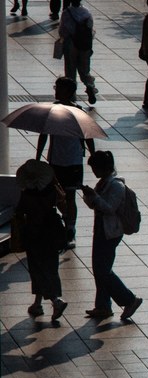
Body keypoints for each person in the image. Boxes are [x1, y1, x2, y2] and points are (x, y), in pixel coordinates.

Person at [80, 150, 143, 321]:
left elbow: (109, 208)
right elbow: (95, 205)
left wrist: (94, 197)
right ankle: (103, 306)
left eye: (95, 168)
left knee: (103, 270)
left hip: (110, 232)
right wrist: (89, 196)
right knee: (99, 269)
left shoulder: (116, 185)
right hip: (102, 229)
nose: (93, 172)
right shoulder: (103, 183)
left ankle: (129, 299)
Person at [35, 76, 92, 249]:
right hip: (56, 159)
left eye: (58, 88)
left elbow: (87, 134)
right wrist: (38, 156)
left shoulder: (78, 112)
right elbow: (44, 134)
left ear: (68, 91)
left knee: (70, 195)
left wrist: (93, 154)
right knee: (55, 195)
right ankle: (62, 223)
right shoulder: (53, 111)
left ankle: (70, 229)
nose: (56, 91)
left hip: (73, 160)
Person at [16, 159, 68, 322]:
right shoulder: (52, 191)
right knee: (50, 267)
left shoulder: (27, 195)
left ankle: (55, 301)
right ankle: (37, 303)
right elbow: (64, 206)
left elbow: (19, 212)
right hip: (51, 232)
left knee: (37, 267)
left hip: (34, 233)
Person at [57, 0, 96, 105]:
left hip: (71, 44)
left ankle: (71, 95)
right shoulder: (86, 12)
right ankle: (90, 86)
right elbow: (91, 29)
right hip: (84, 45)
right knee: (84, 70)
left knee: (70, 70)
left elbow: (62, 31)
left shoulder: (67, 13)